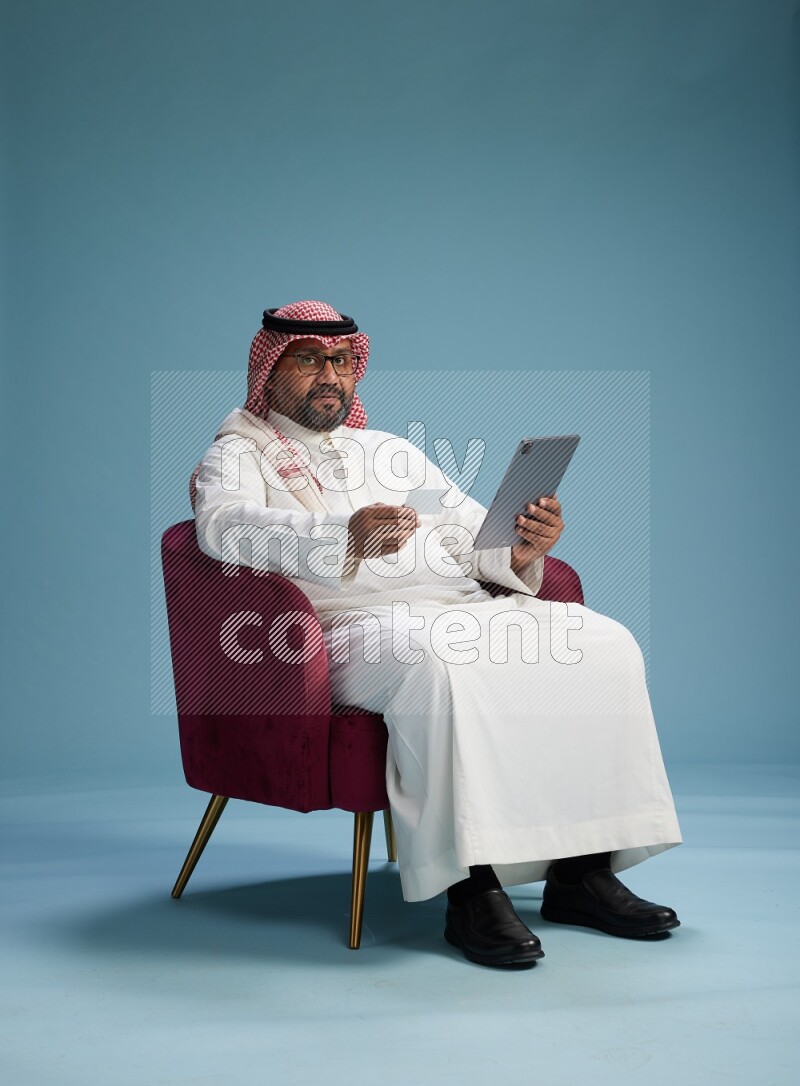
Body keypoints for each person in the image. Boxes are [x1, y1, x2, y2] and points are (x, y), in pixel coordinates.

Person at [190, 300, 683, 968]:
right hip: (339, 630)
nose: (329, 376)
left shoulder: (390, 450)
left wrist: (517, 549)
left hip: (455, 606)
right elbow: (224, 529)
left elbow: (467, 532)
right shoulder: (239, 453)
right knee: (441, 665)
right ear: (271, 369)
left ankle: (582, 873)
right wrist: (345, 536)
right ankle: (470, 888)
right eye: (308, 360)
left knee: (602, 645)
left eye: (340, 361)